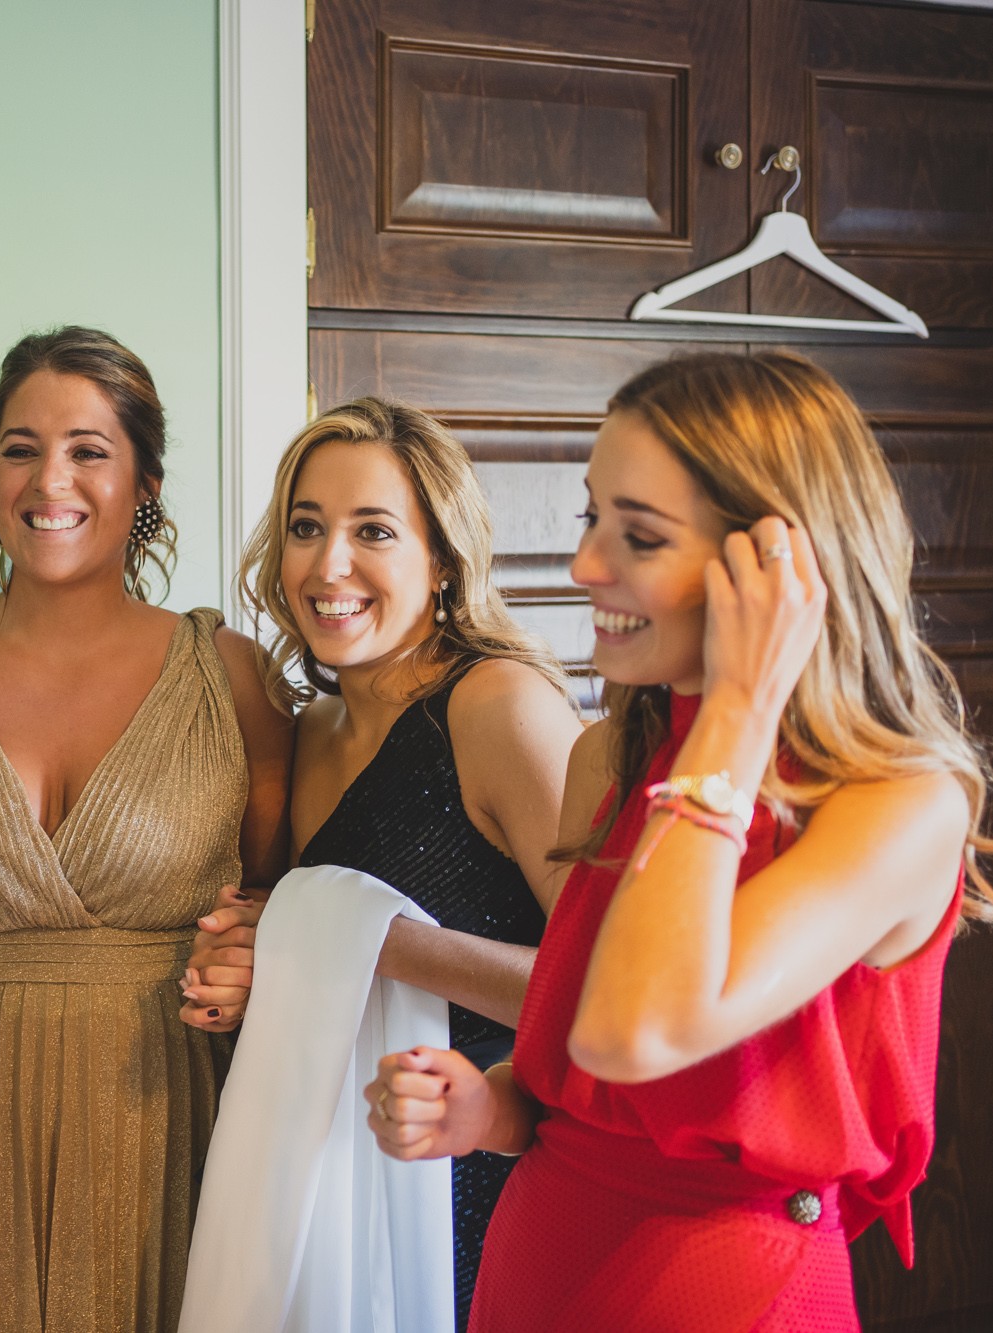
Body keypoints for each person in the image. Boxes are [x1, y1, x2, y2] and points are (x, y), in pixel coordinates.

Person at [363, 351, 993, 1331]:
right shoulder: (605, 761)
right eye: (592, 517)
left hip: (722, 1291)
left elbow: (639, 1028)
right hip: (537, 1263)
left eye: (637, 535)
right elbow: (582, 1069)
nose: (585, 564)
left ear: (774, 570)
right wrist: (488, 1106)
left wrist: (739, 703)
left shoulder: (896, 806)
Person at [0, 326, 292, 1333]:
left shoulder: (229, 676)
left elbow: (282, 901)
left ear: (145, 482)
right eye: (19, 446)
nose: (50, 479)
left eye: (88, 449)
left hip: (166, 1129)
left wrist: (254, 946)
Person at [189, 398, 582, 1328]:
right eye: (306, 528)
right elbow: (311, 955)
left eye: (373, 531)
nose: (329, 566)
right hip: (342, 1194)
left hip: (488, 1187)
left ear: (441, 559)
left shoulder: (500, 708)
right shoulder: (310, 730)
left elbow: (611, 998)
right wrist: (249, 964)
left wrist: (371, 941)